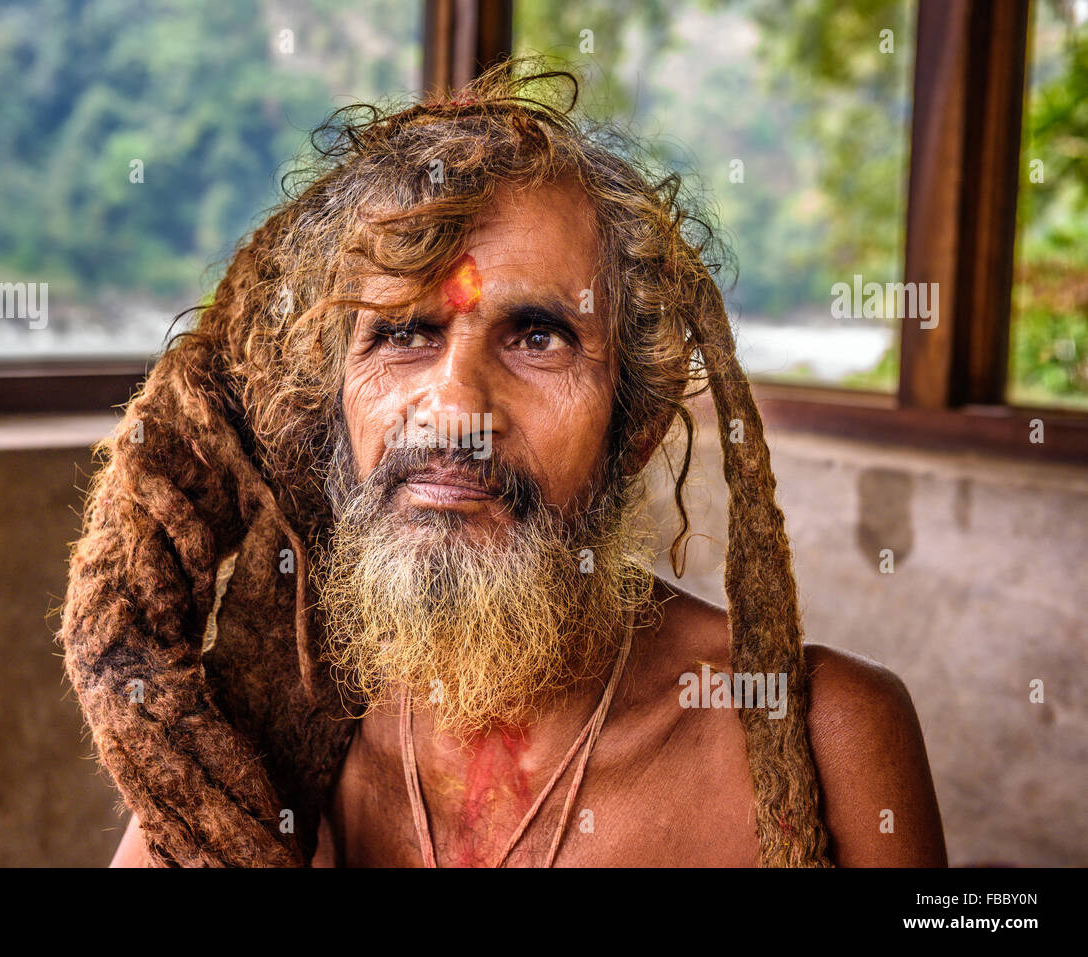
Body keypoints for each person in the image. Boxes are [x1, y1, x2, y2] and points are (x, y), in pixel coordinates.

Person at [62, 59, 947, 868]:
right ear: (338, 408)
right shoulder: (265, 745)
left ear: (635, 424)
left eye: (537, 337)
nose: (454, 410)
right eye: (402, 333)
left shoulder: (824, 738)